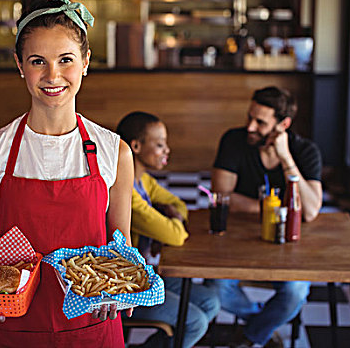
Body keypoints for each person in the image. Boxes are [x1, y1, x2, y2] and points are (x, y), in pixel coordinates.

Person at [0, 0, 134, 346]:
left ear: (85, 62)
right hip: (13, 328)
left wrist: (121, 289)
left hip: (93, 326)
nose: (52, 76)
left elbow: (121, 245)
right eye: (38, 61)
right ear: (20, 65)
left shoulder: (115, 152)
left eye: (65, 60)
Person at [211, 86, 322, 348]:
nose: (250, 126)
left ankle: (251, 335)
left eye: (260, 122)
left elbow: (310, 210)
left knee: (295, 293)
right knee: (216, 289)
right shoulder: (234, 140)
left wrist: (285, 158)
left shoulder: (305, 151)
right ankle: (262, 324)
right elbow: (222, 196)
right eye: (250, 117)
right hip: (236, 240)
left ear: (283, 125)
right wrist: (272, 209)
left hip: (287, 246)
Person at [117, 111, 220, 348]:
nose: (167, 151)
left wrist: (170, 214)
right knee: (195, 321)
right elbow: (176, 235)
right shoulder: (126, 192)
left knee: (211, 301)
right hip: (125, 286)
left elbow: (180, 206)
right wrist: (170, 219)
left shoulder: (142, 181)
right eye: (160, 144)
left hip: (146, 273)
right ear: (136, 146)